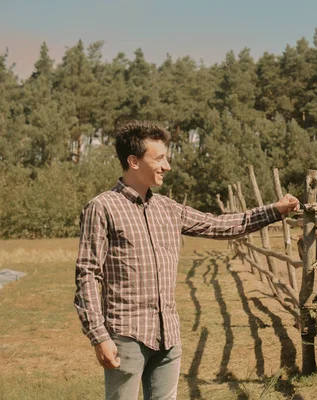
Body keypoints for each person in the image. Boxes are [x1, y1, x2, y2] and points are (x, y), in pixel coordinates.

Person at [74, 121, 299, 400]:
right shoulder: (102, 207)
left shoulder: (168, 208)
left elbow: (221, 225)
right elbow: (87, 274)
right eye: (159, 158)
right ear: (133, 161)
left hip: (168, 336)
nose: (167, 166)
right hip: (126, 336)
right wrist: (99, 336)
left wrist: (275, 210)